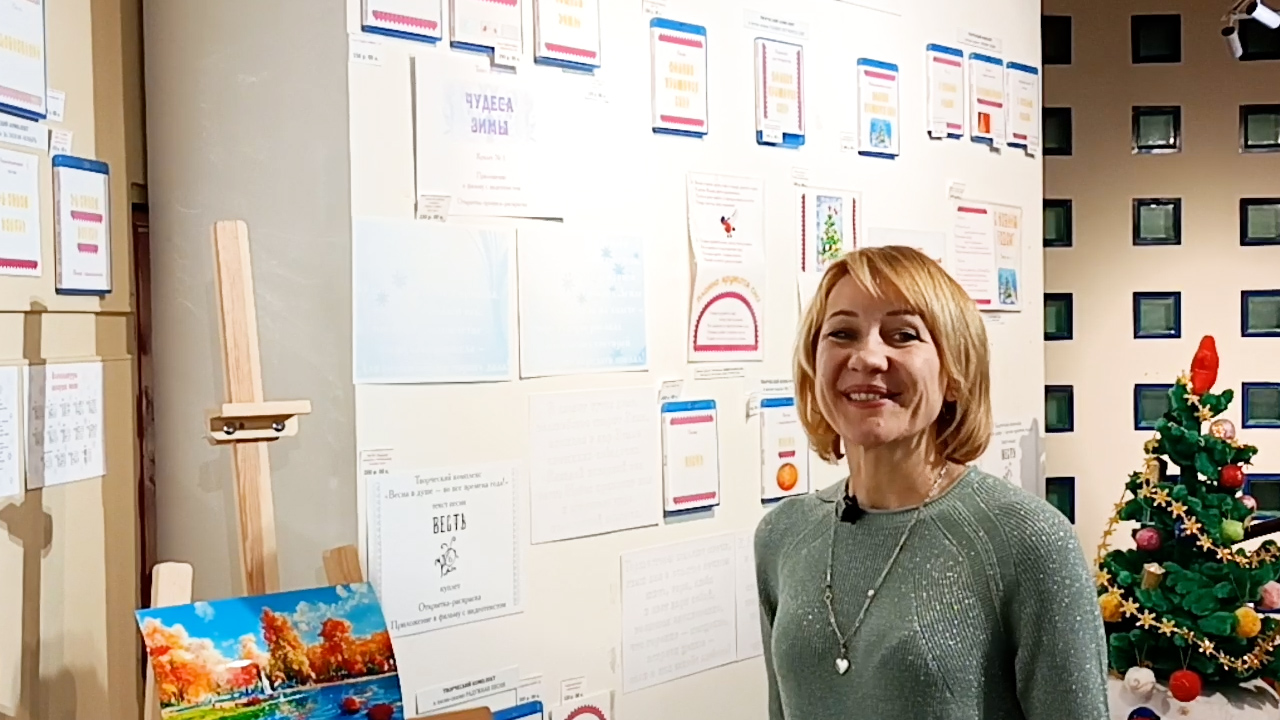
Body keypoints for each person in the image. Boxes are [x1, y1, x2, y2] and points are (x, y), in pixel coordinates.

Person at [754, 246, 1109, 719]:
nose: (867, 357)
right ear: (812, 365)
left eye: (903, 335)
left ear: (955, 373)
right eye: (842, 333)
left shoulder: (1027, 541)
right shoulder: (782, 535)